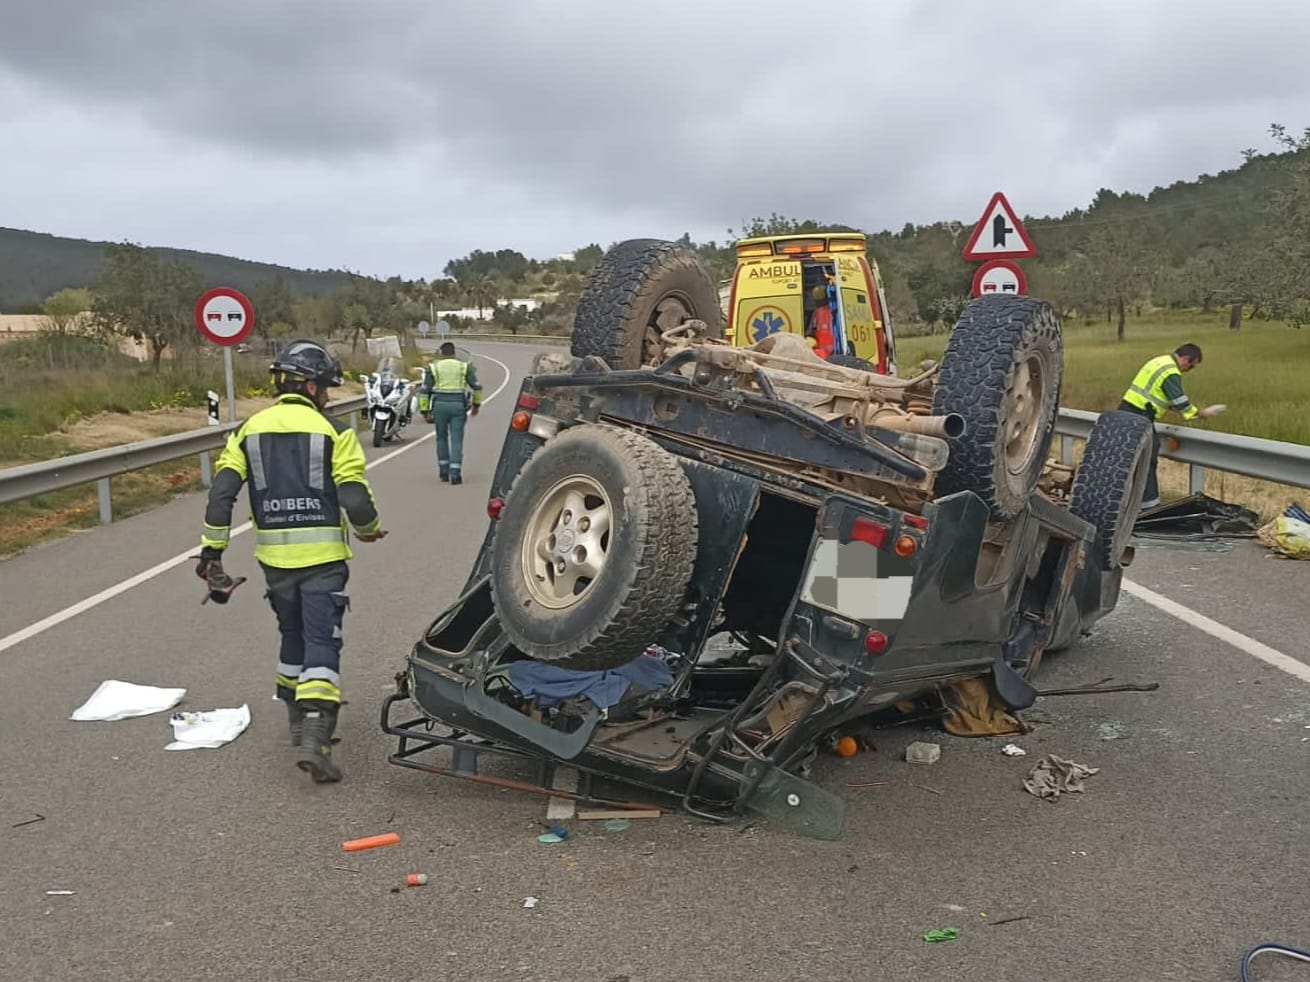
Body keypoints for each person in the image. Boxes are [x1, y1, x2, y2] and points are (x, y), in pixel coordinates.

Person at [194, 339, 386, 784]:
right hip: (323, 559)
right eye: (326, 389)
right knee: (323, 641)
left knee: (292, 634)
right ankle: (316, 737)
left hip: (274, 561)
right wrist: (368, 528)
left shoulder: (248, 431)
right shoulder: (334, 432)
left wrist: (212, 551)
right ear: (314, 387)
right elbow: (354, 497)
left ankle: (297, 722)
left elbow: (221, 496)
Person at [1118, 343, 1222, 508]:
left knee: (1128, 456)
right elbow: (1180, 401)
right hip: (1139, 415)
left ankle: (1126, 498)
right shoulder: (1171, 372)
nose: (1189, 371)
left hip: (1127, 410)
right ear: (1186, 359)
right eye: (1191, 366)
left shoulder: (1159, 361)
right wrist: (1201, 413)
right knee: (1148, 455)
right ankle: (1148, 503)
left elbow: (1159, 395)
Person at [419, 342, 483, 485]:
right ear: (454, 353)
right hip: (458, 406)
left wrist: (424, 410)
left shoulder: (433, 367)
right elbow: (477, 387)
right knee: (456, 439)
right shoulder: (463, 367)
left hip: (439, 406)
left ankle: (443, 472)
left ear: (441, 353)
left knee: (441, 438)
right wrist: (476, 405)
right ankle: (455, 474)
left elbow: (424, 391)